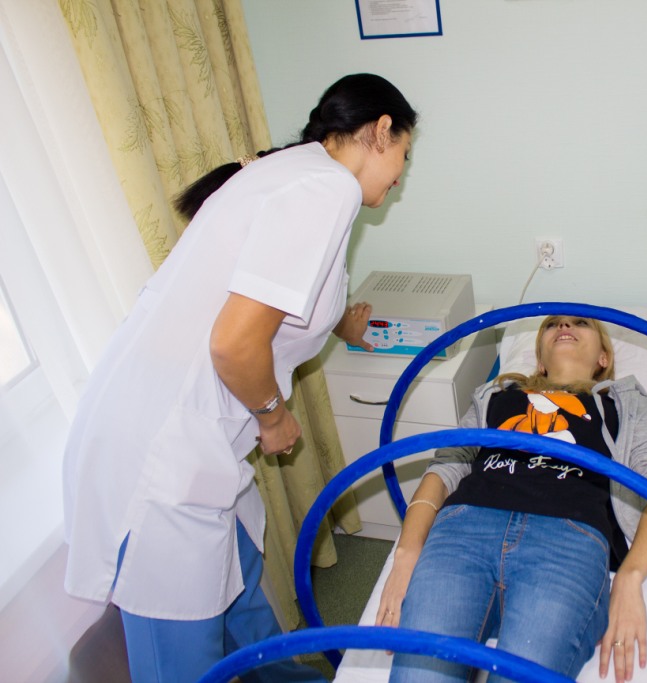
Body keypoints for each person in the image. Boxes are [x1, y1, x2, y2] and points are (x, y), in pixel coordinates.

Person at [61, 73, 417, 682]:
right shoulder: (326, 188)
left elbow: (281, 295)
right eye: (405, 155)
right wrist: (275, 417)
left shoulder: (297, 173)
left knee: (246, 610)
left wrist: (344, 326)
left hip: (201, 443)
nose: (401, 176)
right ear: (381, 131)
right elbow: (233, 343)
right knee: (184, 657)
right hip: (165, 456)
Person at [375, 315, 647, 683]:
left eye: (579, 323)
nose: (564, 327)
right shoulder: (496, 396)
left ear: (603, 358)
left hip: (568, 543)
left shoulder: (626, 405)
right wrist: (407, 553)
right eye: (553, 324)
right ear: (539, 359)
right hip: (464, 530)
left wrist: (629, 578)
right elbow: (445, 469)